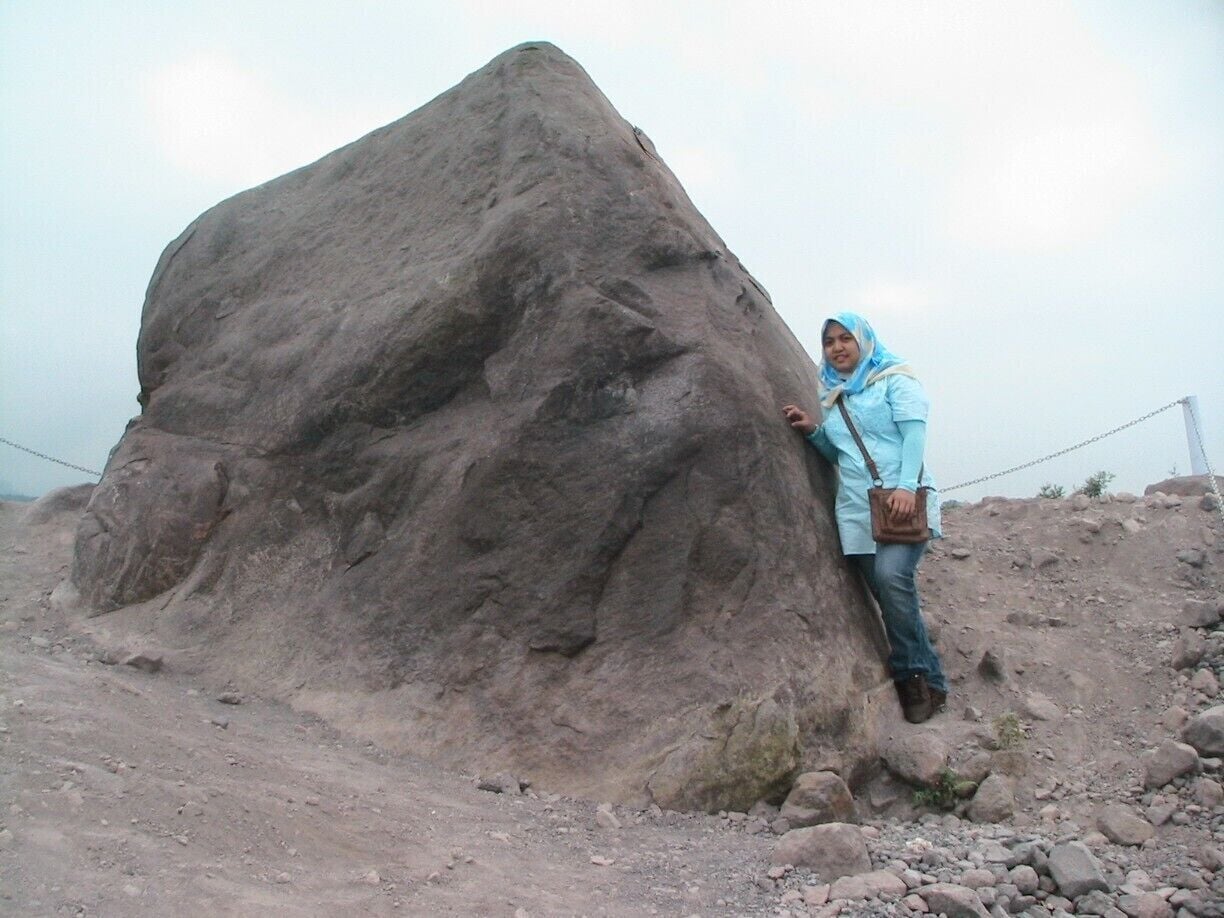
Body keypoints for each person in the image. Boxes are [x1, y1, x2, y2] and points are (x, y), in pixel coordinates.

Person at [782, 312, 948, 724]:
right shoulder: (834, 394)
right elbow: (844, 454)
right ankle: (936, 681)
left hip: (900, 502)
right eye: (829, 342)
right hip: (857, 509)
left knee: (894, 580)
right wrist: (814, 433)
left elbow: (914, 435)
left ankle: (911, 675)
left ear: (864, 341)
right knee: (889, 597)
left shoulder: (895, 379)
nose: (837, 348)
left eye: (845, 339)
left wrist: (907, 486)